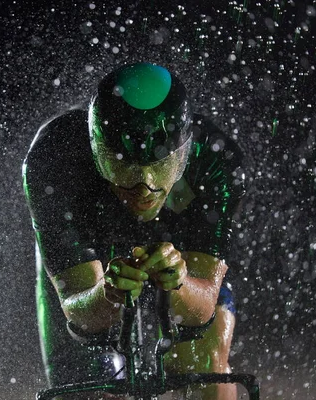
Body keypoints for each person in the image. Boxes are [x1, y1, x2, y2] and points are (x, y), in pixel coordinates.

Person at [22, 62, 246, 399]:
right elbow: (83, 315)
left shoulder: (215, 160)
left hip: (176, 251)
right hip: (90, 260)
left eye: (161, 164)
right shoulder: (55, 157)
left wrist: (180, 285)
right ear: (96, 150)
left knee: (204, 369)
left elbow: (200, 310)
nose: (144, 186)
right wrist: (108, 295)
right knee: (84, 383)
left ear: (184, 154)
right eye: (122, 165)